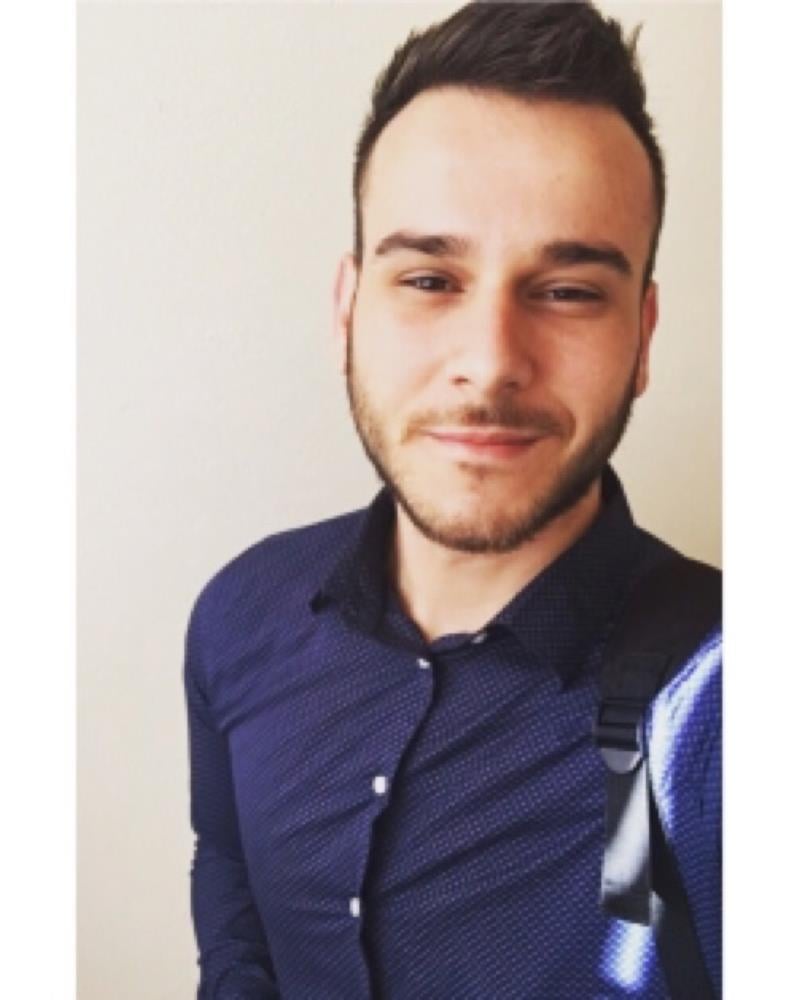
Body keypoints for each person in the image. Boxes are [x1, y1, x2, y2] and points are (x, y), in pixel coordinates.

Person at [183, 2, 721, 997]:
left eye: (568, 291)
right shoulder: (239, 615)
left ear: (642, 337)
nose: (489, 361)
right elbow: (232, 890)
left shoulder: (726, 705)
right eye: (430, 279)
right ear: (348, 309)